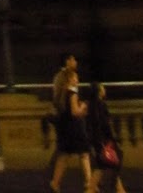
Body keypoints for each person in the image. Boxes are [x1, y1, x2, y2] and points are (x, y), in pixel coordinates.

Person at [50, 54, 91, 193]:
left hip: (64, 125)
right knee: (84, 154)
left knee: (64, 155)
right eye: (75, 78)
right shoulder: (72, 91)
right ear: (70, 79)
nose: (77, 80)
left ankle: (55, 183)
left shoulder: (59, 90)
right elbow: (75, 111)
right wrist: (83, 107)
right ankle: (89, 183)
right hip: (75, 126)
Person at [84, 83, 126, 193]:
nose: (104, 90)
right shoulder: (101, 105)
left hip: (96, 140)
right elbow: (105, 124)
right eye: (102, 88)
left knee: (101, 166)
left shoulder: (90, 105)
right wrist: (113, 139)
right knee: (113, 163)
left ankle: (120, 190)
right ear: (99, 91)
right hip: (104, 140)